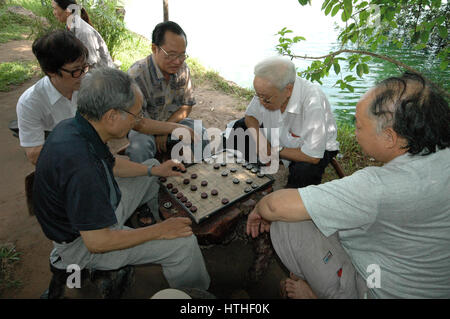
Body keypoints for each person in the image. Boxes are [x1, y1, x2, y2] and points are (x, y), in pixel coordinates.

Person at [246, 72, 450, 299]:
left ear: (390, 138)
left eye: (359, 125)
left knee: (287, 224)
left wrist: (259, 208)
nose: (355, 131)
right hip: (432, 281)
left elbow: (274, 207)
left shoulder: (379, 187)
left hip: (376, 287)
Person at [32, 67, 211, 291]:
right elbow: (98, 243)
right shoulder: (83, 168)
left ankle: (159, 222)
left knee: (152, 167)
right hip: (84, 245)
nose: (138, 121)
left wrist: (153, 172)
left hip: (96, 212)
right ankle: (197, 298)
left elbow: (112, 163)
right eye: (136, 115)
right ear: (111, 116)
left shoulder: (75, 127)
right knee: (182, 245)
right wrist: (160, 231)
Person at [225, 56, 339, 188]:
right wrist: (260, 140)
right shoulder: (268, 88)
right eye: (258, 96)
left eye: (266, 99)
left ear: (288, 90)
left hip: (312, 150)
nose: (261, 102)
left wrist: (273, 150)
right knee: (240, 127)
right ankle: (252, 171)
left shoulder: (312, 102)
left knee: (304, 171)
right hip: (278, 138)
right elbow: (250, 117)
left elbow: (313, 156)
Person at [127, 21, 209, 163]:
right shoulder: (137, 75)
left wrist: (168, 128)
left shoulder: (183, 69)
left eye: (182, 55)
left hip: (173, 123)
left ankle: (193, 175)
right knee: (139, 149)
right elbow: (136, 122)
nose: (177, 61)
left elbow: (186, 106)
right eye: (171, 55)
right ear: (154, 48)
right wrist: (164, 129)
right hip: (144, 129)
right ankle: (146, 182)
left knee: (200, 133)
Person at [16, 30, 89, 165]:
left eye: (84, 66)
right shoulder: (30, 103)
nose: (83, 75)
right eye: (76, 70)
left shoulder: (87, 84)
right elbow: (34, 155)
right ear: (51, 71)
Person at [51, 0, 115, 69]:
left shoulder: (83, 32)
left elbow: (91, 66)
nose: (53, 13)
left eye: (55, 8)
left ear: (67, 11)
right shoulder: (70, 27)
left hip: (103, 76)